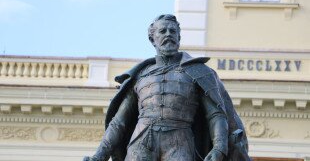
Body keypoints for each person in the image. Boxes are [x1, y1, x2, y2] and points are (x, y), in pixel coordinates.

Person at [84, 14, 250, 161]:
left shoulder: (199, 72)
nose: (168, 35)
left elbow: (216, 114)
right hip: (141, 141)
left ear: (179, 37)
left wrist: (219, 148)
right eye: (162, 31)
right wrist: (100, 155)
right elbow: (119, 122)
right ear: (152, 39)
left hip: (180, 141)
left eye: (172, 31)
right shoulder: (139, 75)